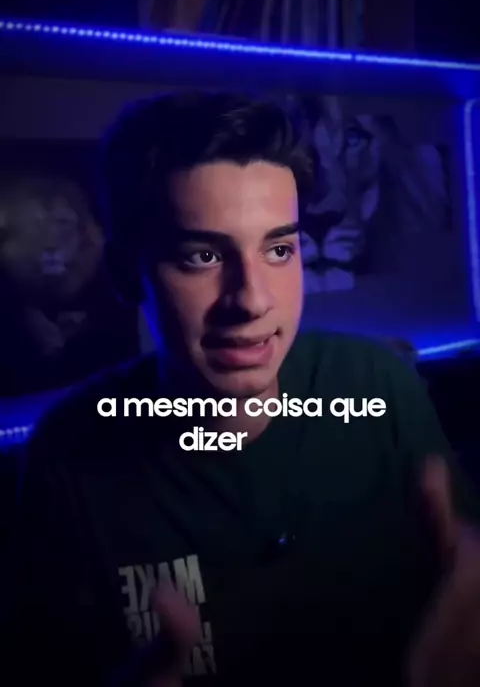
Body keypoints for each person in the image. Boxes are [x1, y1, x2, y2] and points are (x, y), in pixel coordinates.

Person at [4, 91, 480, 687]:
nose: (252, 300)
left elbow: (464, 574)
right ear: (128, 273)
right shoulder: (68, 453)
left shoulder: (380, 386)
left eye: (279, 249)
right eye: (202, 256)